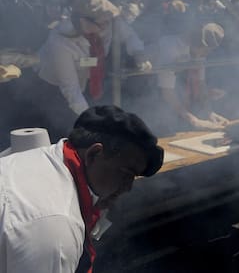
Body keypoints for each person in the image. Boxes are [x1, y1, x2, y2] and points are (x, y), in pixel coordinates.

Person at [0, 105, 163, 273]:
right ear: (94, 154)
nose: (128, 187)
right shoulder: (56, 228)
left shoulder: (39, 158)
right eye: (127, 173)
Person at [29, 0, 120, 140]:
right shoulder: (60, 41)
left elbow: (97, 59)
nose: (106, 27)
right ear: (83, 21)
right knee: (60, 130)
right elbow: (70, 88)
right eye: (102, 23)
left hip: (85, 81)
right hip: (52, 87)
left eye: (109, 22)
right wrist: (92, 119)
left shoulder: (104, 28)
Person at [152, 21, 231, 132]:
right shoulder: (170, 47)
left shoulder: (199, 51)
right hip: (152, 98)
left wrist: (209, 113)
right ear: (195, 42)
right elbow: (167, 92)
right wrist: (194, 121)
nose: (206, 54)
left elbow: (200, 83)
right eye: (206, 50)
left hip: (181, 103)